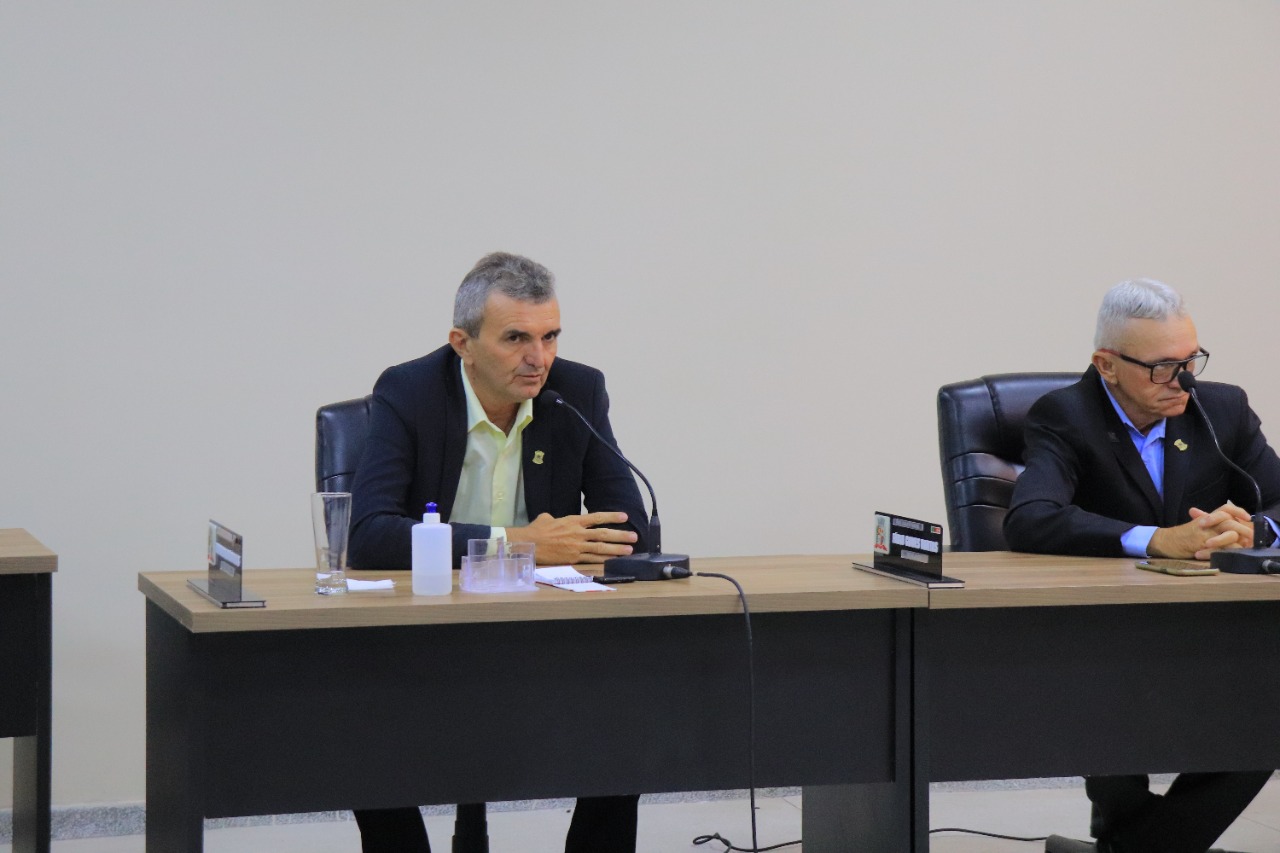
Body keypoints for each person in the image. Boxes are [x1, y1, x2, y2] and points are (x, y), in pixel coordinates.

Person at [347, 251, 649, 853]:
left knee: (631, 712)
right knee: (360, 717)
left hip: (542, 629)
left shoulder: (576, 391)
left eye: (550, 336)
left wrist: (563, 549)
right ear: (463, 343)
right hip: (426, 628)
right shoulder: (408, 391)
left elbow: (631, 532)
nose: (539, 358)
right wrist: (516, 544)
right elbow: (371, 536)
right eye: (516, 338)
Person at [1005, 278, 1280, 853]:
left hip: (1213, 627)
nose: (1183, 380)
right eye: (1161, 368)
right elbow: (1031, 517)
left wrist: (1258, 530)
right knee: (1107, 696)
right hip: (1100, 634)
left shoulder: (1221, 408)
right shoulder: (1065, 415)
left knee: (1268, 709)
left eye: (1191, 360)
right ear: (1106, 365)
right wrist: (1156, 540)